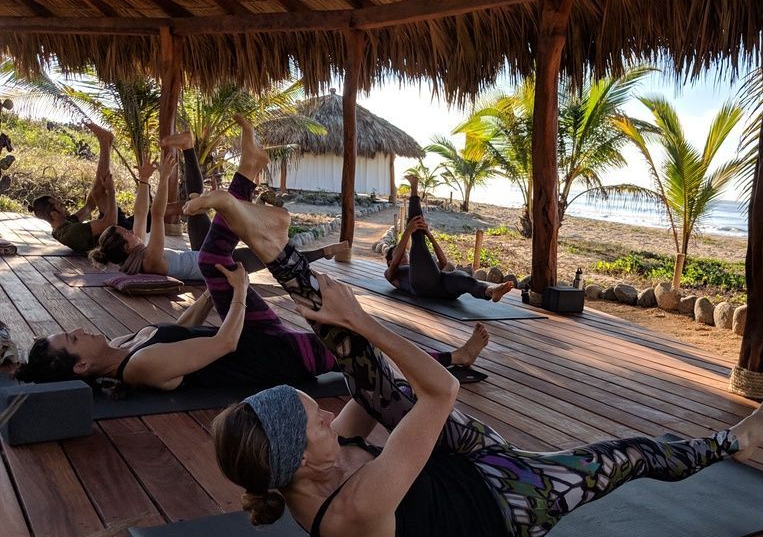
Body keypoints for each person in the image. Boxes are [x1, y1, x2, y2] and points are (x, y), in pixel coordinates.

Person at [190, 182, 763, 537]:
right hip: (511, 507)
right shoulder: (353, 511)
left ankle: (277, 252)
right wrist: (363, 322)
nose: (324, 414)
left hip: (460, 465)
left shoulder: (308, 464)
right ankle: (731, 443)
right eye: (313, 421)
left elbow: (371, 391)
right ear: (298, 458)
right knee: (631, 455)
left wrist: (346, 329)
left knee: (373, 384)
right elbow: (440, 394)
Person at [15, 121, 488, 391]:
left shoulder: (125, 345)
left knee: (209, 259)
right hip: (269, 357)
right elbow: (220, 347)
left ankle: (244, 177)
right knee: (356, 348)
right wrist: (238, 292)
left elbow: (182, 333)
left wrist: (212, 293)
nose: (77, 330)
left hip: (246, 332)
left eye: (70, 329)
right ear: (80, 366)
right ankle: (452, 358)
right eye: (71, 339)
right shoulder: (135, 368)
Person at [88, 126, 347, 279]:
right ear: (125, 246)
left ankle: (195, 150)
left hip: (201, 251)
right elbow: (155, 217)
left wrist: (144, 181)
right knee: (269, 254)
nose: (130, 231)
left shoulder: (136, 254)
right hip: (215, 264)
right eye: (126, 233)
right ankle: (323, 252)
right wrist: (163, 178)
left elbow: (141, 212)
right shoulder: (150, 261)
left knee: (197, 206)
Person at [384, 175, 514, 303]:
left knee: (462, 278)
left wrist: (429, 234)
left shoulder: (420, 264)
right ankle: (414, 188)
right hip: (423, 287)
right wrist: (408, 230)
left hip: (444, 287)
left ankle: (491, 290)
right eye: (399, 251)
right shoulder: (391, 274)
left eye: (403, 252)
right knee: (417, 238)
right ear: (389, 262)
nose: (404, 253)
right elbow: (395, 262)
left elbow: (444, 262)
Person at [29, 123, 135, 254]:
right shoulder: (71, 233)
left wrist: (99, 181)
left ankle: (105, 143)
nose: (64, 205)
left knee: (97, 192)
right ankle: (105, 142)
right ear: (54, 214)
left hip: (117, 226)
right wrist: (111, 191)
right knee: (154, 214)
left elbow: (89, 206)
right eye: (60, 205)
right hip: (122, 235)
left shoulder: (62, 225)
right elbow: (110, 223)